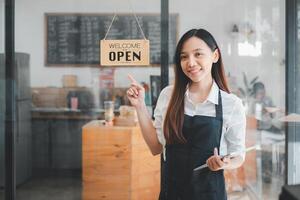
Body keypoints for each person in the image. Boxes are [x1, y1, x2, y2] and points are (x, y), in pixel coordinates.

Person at [126, 28, 246, 200]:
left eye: (198, 54)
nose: (190, 62)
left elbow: (238, 155)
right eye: (184, 57)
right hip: (172, 193)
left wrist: (225, 162)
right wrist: (139, 106)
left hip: (210, 194)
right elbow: (155, 147)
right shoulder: (168, 95)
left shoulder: (231, 104)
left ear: (215, 56)